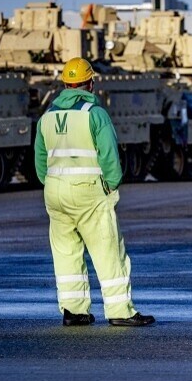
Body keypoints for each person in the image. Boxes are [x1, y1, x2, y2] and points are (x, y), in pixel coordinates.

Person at [34, 57, 155, 327]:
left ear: (66, 84)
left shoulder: (47, 116)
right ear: (90, 83)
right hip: (89, 193)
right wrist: (110, 185)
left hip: (54, 193)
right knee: (108, 251)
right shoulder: (94, 114)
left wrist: (52, 183)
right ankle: (120, 311)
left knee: (66, 253)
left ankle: (74, 311)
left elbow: (40, 162)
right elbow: (110, 157)